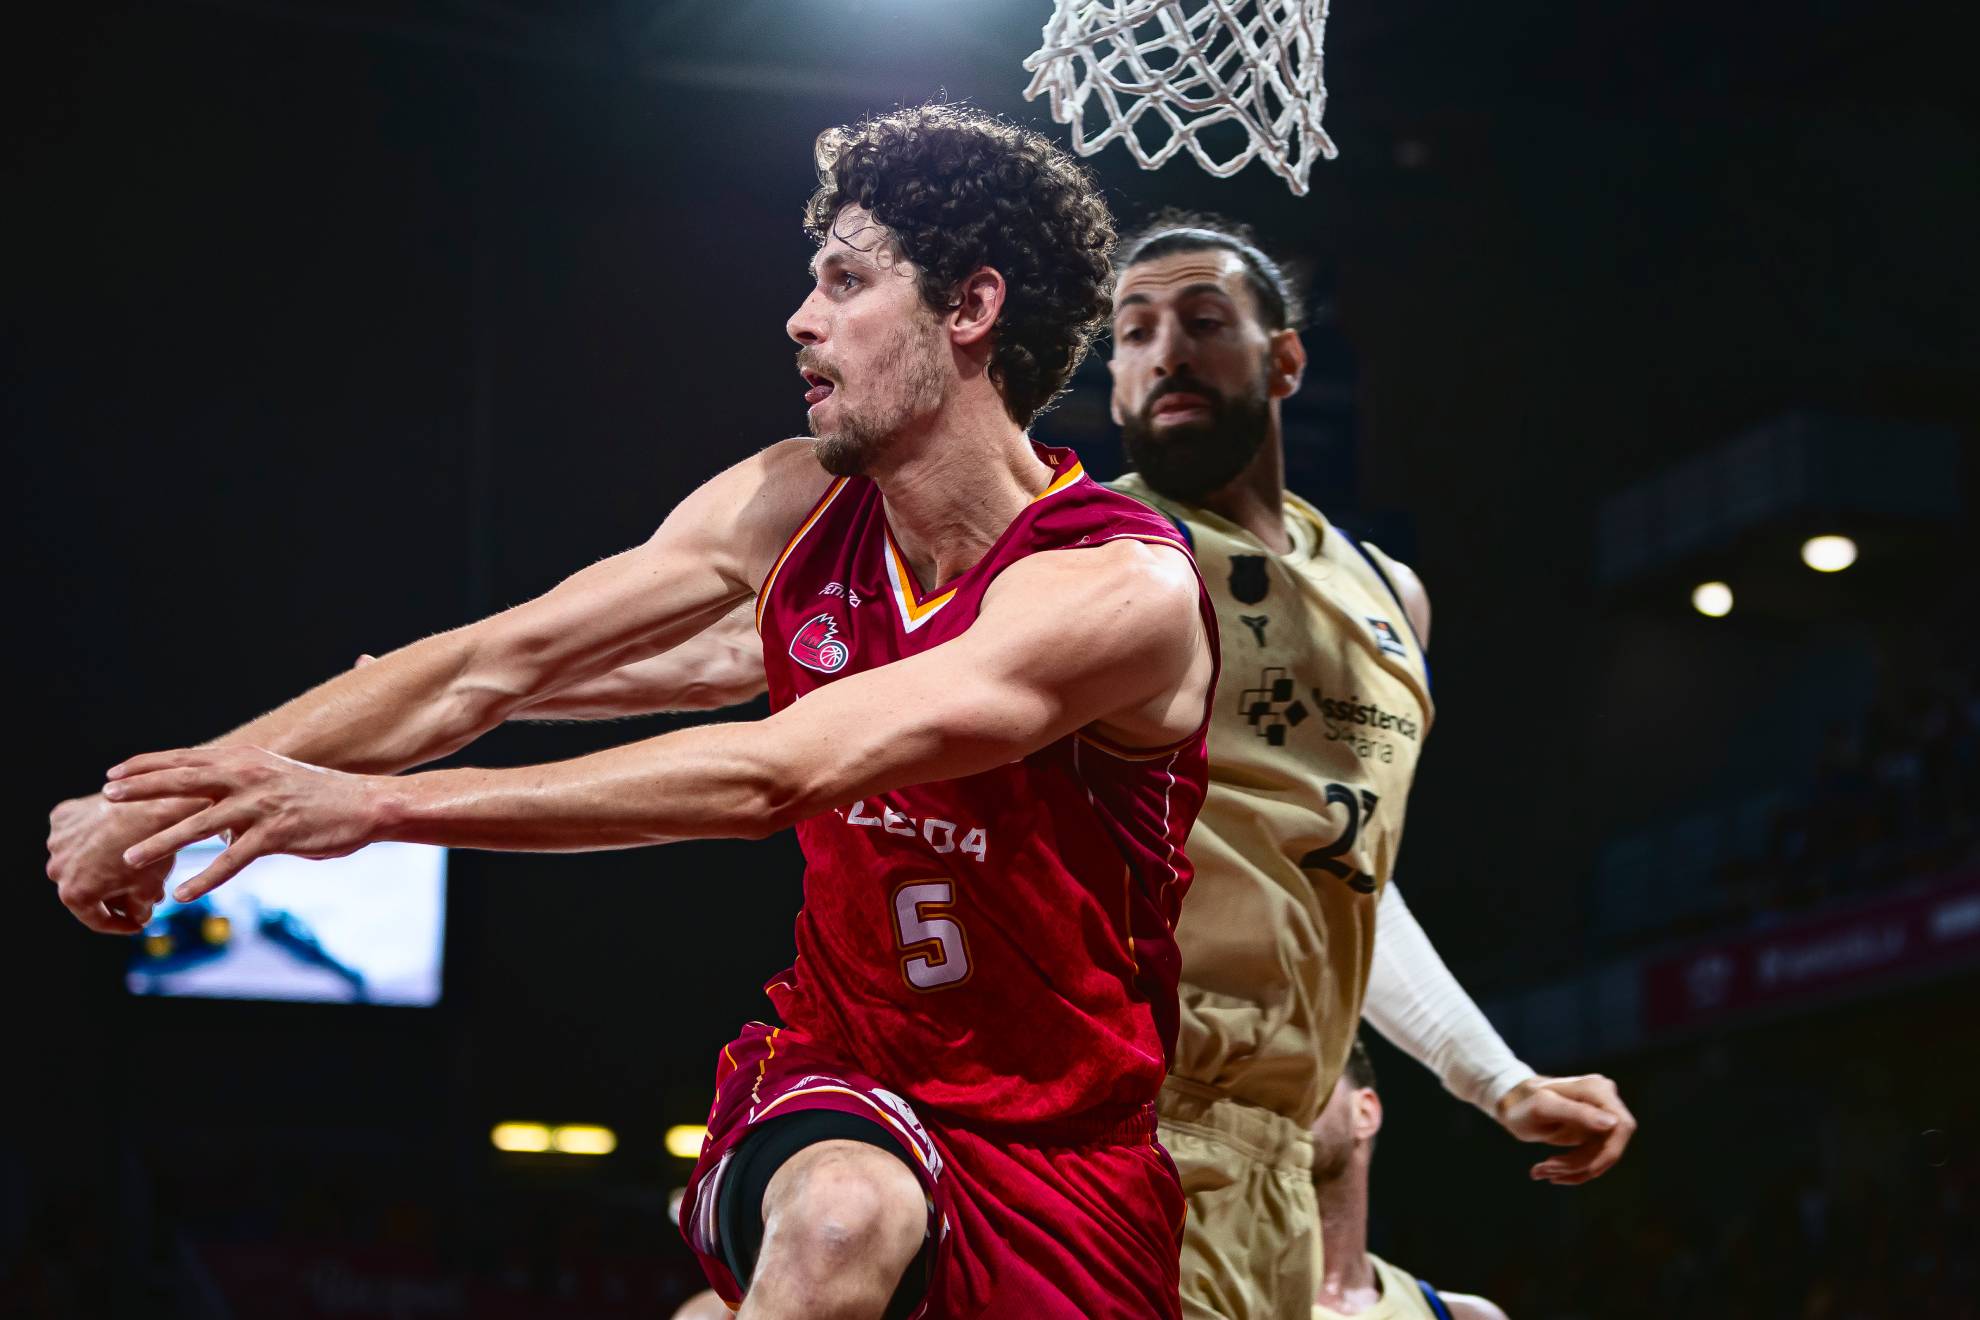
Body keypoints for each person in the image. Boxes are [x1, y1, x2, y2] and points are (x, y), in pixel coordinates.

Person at [46, 106, 1219, 1320]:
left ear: (969, 310)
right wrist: (156, 801)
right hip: (841, 1074)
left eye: (845, 281)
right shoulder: (789, 502)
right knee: (838, 1221)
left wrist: (371, 807)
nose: (799, 317)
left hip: (1069, 1156)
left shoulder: (1115, 586)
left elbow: (774, 775)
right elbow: (485, 667)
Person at [510, 212, 1638, 1318]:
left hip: (1278, 1163)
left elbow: (1347, 881)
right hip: (1093, 1112)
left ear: (1285, 359)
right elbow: (750, 655)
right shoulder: (1074, 553)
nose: (1164, 351)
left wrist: (1494, 1077)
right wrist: (486, 692)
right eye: (1135, 327)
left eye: (1203, 319)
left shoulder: (1390, 597)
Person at [1309, 1039, 1508, 1320]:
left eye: (1305, 1077)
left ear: (1364, 1112)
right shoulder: (1232, 1302)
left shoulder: (1464, 1316)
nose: (1282, 1098)